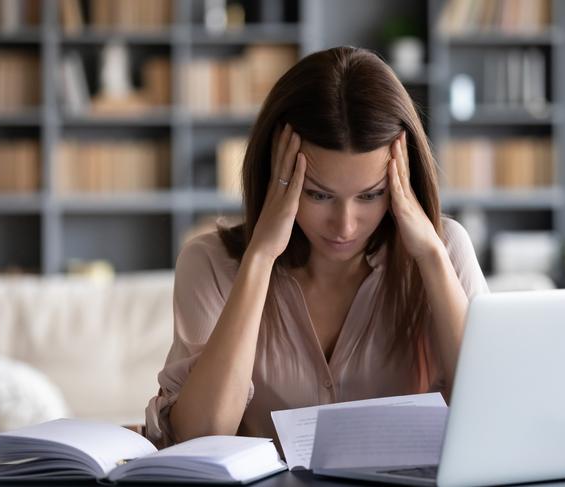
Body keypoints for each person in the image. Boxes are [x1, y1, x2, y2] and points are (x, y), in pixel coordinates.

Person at [145, 46, 488, 449]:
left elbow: (490, 415)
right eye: (319, 195)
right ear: (277, 175)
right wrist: (259, 259)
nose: (344, 226)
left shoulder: (444, 249)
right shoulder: (209, 264)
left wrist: (431, 257)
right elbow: (198, 437)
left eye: (370, 195)